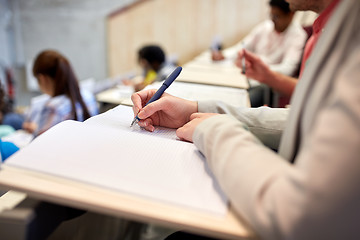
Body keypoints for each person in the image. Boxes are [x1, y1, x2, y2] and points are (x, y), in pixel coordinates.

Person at [131, 0, 360, 239]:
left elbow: (306, 214)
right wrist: (192, 110)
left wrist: (215, 130)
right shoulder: (329, 29)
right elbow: (306, 119)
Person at [212, 0, 307, 107]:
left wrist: (261, 70)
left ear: (291, 15)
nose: (273, 20)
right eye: (271, 15)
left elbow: (288, 69)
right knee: (222, 94)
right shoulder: (265, 27)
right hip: (249, 76)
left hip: (266, 85)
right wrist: (224, 55)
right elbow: (243, 46)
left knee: (238, 104)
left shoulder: (298, 36)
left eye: (277, 16)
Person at [22, 50, 99, 137]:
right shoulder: (87, 96)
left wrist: (37, 130)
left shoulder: (53, 107)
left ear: (42, 78)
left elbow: (40, 144)